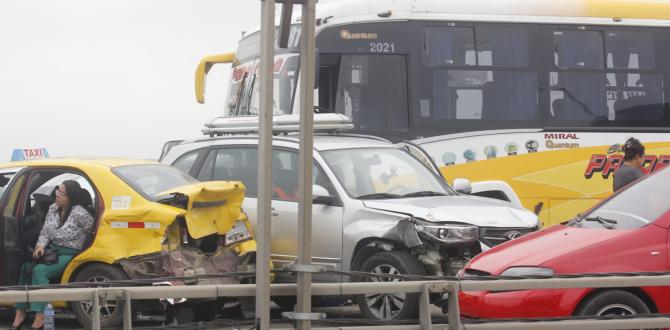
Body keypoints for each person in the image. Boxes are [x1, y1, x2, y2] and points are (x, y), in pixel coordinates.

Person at [10, 180, 95, 330]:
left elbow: (93, 231)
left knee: (39, 270)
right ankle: (20, 311)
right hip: (52, 250)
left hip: (70, 254)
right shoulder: (53, 208)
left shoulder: (80, 213)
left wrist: (85, 248)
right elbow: (45, 232)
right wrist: (40, 246)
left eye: (62, 193)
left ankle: (41, 314)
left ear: (71, 197)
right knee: (26, 268)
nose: (57, 195)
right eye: (58, 191)